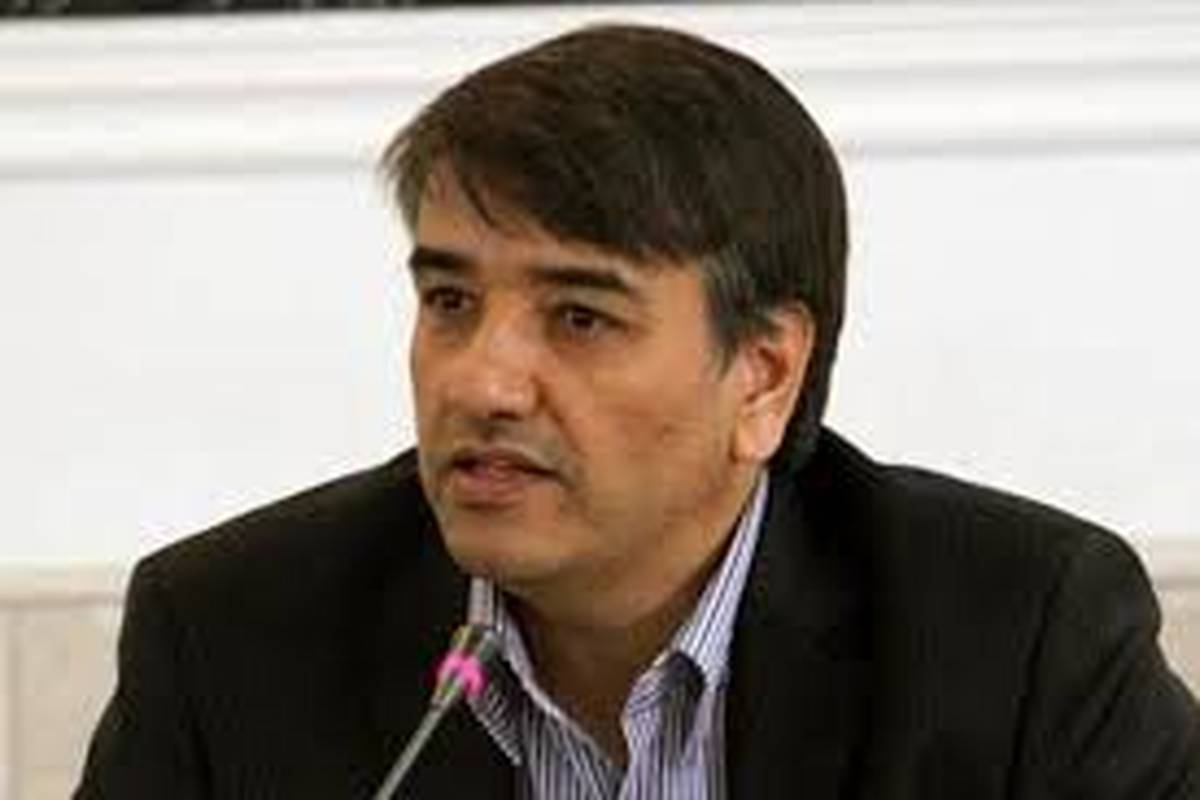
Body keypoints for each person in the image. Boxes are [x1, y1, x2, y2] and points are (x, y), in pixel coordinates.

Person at [74, 23, 1199, 799]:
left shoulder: (1018, 641)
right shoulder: (229, 638)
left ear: (763, 375)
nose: (481, 382)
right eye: (450, 301)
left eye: (579, 316)